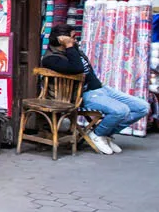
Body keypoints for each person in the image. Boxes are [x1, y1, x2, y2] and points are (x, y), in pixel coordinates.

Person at [41, 22, 148, 154]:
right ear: (62, 40)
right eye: (72, 38)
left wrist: (70, 46)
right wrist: (69, 46)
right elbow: (77, 69)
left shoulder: (72, 49)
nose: (75, 40)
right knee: (121, 110)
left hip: (100, 89)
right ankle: (97, 135)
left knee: (142, 107)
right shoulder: (51, 59)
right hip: (83, 95)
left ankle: (105, 133)